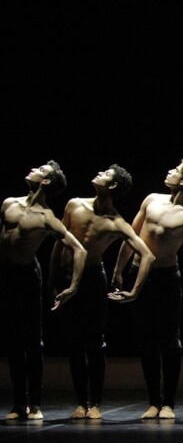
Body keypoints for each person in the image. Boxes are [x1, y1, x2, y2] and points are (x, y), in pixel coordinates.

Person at [114, 157, 183, 420]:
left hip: (165, 278)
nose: (169, 171)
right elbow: (132, 237)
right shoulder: (151, 199)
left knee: (169, 341)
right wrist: (118, 270)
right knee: (146, 340)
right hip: (139, 272)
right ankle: (154, 401)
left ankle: (169, 403)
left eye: (175, 170)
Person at [51, 166, 155, 419]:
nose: (98, 173)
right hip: (66, 275)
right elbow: (59, 241)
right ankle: (80, 402)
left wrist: (134, 291)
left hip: (93, 279)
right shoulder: (74, 204)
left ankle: (95, 403)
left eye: (105, 174)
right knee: (74, 343)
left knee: (95, 343)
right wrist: (53, 279)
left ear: (113, 186)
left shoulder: (116, 222)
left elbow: (147, 255)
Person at [2, 162, 87, 421]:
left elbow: (79, 250)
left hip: (27, 276)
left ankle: (35, 405)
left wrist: (73, 286)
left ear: (46, 182)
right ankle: (19, 404)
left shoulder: (46, 217)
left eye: (39, 169)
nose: (32, 170)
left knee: (32, 342)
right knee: (13, 342)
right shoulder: (9, 203)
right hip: (6, 275)